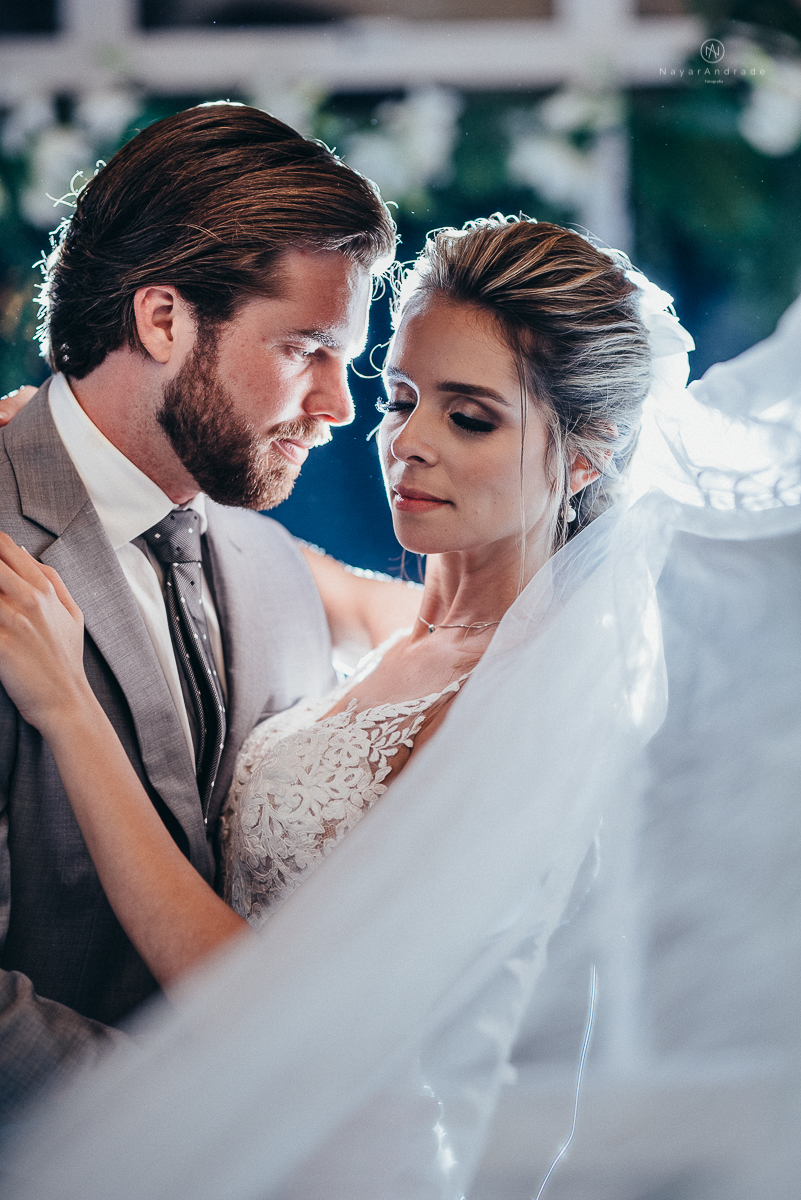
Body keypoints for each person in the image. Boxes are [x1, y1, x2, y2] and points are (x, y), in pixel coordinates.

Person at [0, 217, 662, 1192]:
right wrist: (60, 441)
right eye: (400, 399)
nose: (408, 444)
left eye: (469, 416)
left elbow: (269, 1011)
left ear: (587, 454)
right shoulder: (394, 617)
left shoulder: (519, 712)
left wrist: (67, 709)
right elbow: (196, 528)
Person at [0, 99, 418, 1120]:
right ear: (162, 318)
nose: (338, 407)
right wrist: (201, 1129)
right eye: (304, 349)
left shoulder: (270, 567)